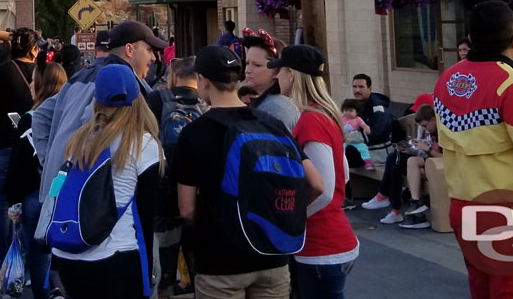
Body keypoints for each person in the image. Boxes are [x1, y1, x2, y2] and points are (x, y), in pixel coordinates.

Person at [175, 46, 323, 299]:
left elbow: (187, 210)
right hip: (272, 257)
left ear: (203, 80)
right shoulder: (271, 123)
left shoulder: (193, 133)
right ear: (237, 79)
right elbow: (317, 185)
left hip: (220, 261)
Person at [433, 0, 513, 299]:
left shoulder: (448, 80)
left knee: (485, 292)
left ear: (471, 40)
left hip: (463, 208)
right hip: (509, 214)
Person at [51, 65, 163, 299]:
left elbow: (57, 190)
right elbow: (145, 216)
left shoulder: (79, 141)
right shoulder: (142, 144)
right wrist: (149, 270)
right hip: (117, 255)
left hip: (69, 255)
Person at [34, 20, 167, 202]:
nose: (154, 58)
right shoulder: (119, 82)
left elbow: (40, 116)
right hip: (84, 195)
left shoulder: (80, 75)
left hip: (58, 183)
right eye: (149, 50)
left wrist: (49, 159)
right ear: (130, 50)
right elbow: (93, 123)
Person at [272, 44, 360, 299]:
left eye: (279, 71)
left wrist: (289, 222)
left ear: (291, 73)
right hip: (328, 243)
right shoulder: (323, 115)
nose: (276, 76)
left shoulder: (311, 119)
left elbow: (324, 189)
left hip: (321, 245)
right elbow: (342, 173)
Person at [6, 62, 68, 299]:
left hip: (36, 192)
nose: (30, 85)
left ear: (42, 85)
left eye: (34, 80)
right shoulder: (70, 117)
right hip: (63, 189)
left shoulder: (32, 118)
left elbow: (19, 166)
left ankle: (47, 292)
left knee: (38, 254)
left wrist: (13, 201)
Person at [0, 27, 38, 261]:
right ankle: (30, 257)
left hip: (1, 141)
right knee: (29, 201)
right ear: (33, 49)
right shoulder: (41, 72)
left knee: (0, 202)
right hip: (32, 146)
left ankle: (4, 258)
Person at [145, 56, 204, 294]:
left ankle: (167, 289)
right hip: (197, 194)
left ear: (174, 76)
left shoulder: (156, 99)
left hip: (164, 193)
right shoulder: (205, 102)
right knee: (197, 263)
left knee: (164, 264)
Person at [242, 30, 300, 132]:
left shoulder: (276, 108)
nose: (248, 70)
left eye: (257, 65)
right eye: (247, 63)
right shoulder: (268, 103)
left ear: (275, 70)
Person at [397, 105, 442, 230]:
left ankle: (416, 208)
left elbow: (445, 158)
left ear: (433, 119)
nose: (424, 129)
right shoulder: (431, 132)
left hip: (444, 169)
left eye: (425, 125)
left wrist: (427, 149)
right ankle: (415, 202)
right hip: (432, 167)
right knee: (411, 161)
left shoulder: (442, 133)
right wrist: (412, 150)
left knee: (415, 171)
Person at [340, 98, 376, 171]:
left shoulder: (357, 119)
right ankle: (341, 163)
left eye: (350, 111)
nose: (347, 112)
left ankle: (368, 161)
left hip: (355, 139)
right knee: (341, 149)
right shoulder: (342, 118)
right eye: (345, 110)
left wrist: (366, 128)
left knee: (363, 148)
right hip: (345, 139)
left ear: (356, 112)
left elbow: (364, 125)